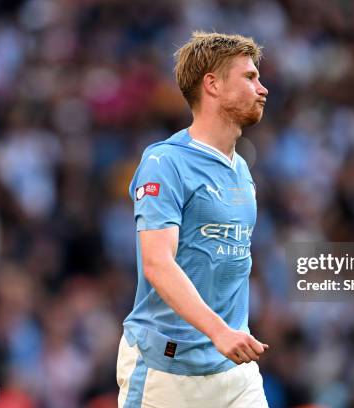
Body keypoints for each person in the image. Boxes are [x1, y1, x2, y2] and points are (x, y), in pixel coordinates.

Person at [116, 31, 270, 408]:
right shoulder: (165, 162)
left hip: (235, 371)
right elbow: (157, 262)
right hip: (166, 369)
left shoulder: (241, 170)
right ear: (212, 84)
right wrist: (218, 331)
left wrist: (228, 334)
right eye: (249, 78)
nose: (262, 89)